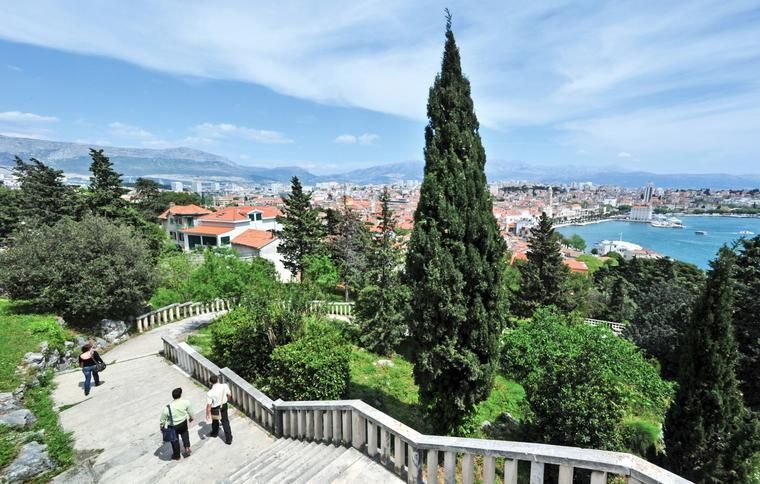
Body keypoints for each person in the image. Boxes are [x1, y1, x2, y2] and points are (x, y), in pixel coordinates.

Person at [160, 387, 194, 460]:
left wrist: (162, 427)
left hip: (173, 427)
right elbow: (191, 412)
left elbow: (162, 420)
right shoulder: (186, 402)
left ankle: (177, 456)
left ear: (173, 396)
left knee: (175, 441)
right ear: (180, 395)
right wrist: (191, 418)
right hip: (183, 423)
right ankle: (187, 447)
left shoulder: (167, 408)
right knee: (185, 435)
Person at [205, 375, 233, 445]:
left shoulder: (210, 393)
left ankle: (214, 433)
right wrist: (227, 400)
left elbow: (209, 405)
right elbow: (229, 395)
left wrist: (207, 414)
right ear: (217, 379)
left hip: (215, 408)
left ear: (210, 382)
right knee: (225, 422)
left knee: (215, 421)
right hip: (224, 405)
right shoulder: (224, 386)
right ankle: (229, 439)